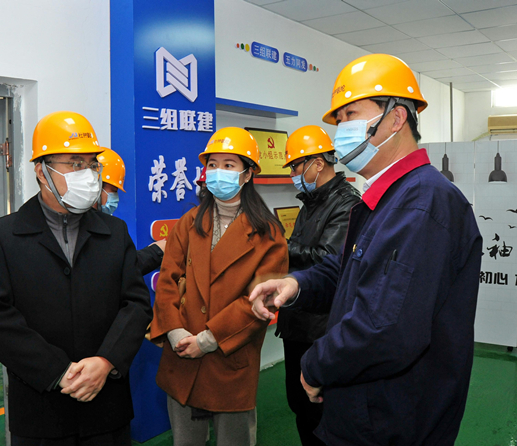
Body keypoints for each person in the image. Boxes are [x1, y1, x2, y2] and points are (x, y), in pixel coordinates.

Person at [249, 54, 483, 446]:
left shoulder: (422, 204)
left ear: (396, 118)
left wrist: (315, 365)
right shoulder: (387, 198)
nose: (342, 129)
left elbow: (386, 327)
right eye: (339, 119)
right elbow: (347, 268)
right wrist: (297, 284)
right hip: (370, 410)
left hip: (394, 419)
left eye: (350, 115)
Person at [0, 111, 152, 446]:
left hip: (106, 408)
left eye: (91, 164)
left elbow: (136, 304)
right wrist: (57, 371)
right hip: (41, 411)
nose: (88, 174)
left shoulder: (115, 232)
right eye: (74, 164)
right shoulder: (3, 235)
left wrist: (106, 361)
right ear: (42, 171)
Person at [150, 127, 289, 446]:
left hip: (229, 356)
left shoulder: (268, 234)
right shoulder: (189, 222)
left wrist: (208, 340)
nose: (218, 172)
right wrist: (175, 333)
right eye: (212, 164)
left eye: (229, 165)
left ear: (248, 173)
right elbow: (167, 280)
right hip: (182, 354)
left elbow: (260, 301)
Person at [276, 125, 359, 446]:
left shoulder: (347, 204)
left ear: (318, 163)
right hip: (298, 322)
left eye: (296, 167)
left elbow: (328, 261)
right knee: (300, 405)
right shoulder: (311, 203)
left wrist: (278, 247)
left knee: (321, 412)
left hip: (321, 327)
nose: (293, 175)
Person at [97, 147, 165, 275]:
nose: (115, 197)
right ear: (96, 186)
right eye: (113, 191)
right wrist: (156, 251)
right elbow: (123, 268)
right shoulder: (112, 228)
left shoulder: (106, 225)